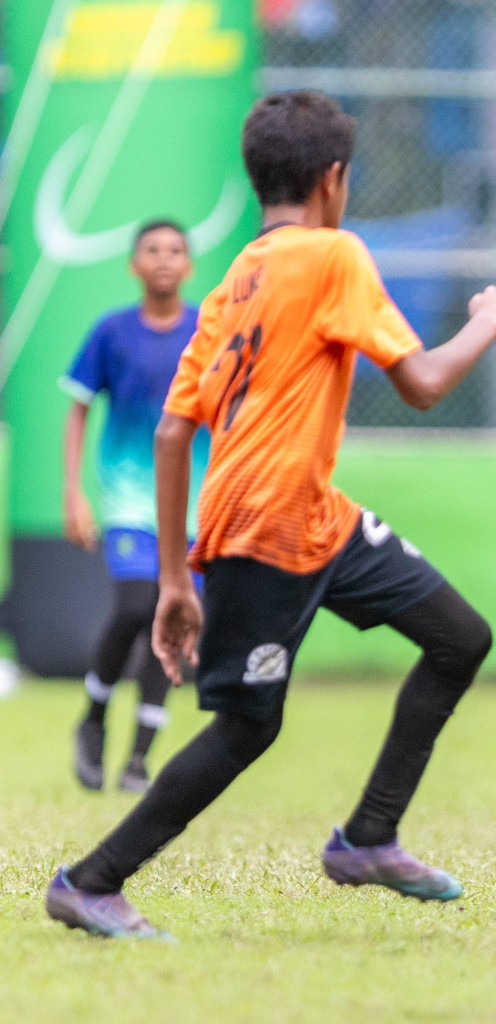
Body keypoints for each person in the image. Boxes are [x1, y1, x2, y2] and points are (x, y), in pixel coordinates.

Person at [45, 89, 496, 938]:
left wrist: (170, 579)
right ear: (334, 178)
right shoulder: (335, 254)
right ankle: (90, 881)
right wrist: (486, 322)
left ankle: (370, 837)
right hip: (265, 526)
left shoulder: (232, 281)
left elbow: (170, 432)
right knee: (246, 728)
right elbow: (421, 384)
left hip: (316, 518)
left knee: (461, 636)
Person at [60, 221, 209, 793]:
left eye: (176, 250)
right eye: (153, 250)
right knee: (135, 607)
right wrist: (74, 493)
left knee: (172, 624)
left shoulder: (207, 331)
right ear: (134, 265)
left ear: (189, 266)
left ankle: (139, 760)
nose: (165, 259)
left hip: (195, 507)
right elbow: (77, 408)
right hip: (128, 501)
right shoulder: (112, 332)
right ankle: (94, 720)